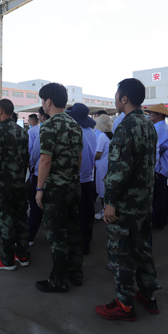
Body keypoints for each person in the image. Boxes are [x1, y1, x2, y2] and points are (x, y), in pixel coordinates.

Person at [96, 78, 160, 321]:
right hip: (143, 201)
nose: (115, 99)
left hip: (126, 204)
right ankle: (148, 295)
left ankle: (124, 304)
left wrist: (110, 202)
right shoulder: (149, 125)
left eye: (116, 95)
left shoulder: (126, 127)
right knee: (143, 250)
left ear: (124, 99)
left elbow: (119, 170)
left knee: (122, 254)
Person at [35, 83, 84, 293]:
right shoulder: (75, 125)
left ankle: (58, 281)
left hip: (56, 189)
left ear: (48, 101)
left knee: (56, 234)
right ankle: (76, 273)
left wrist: (39, 189)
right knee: (73, 230)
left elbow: (45, 160)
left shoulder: (48, 126)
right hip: (73, 185)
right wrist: (72, 177)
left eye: (42, 100)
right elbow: (80, 157)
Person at [0, 99, 30, 271]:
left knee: (6, 222)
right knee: (21, 220)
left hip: (3, 185)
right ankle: (23, 255)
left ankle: (7, 260)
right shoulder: (22, 131)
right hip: (20, 183)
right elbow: (26, 158)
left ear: (0, 111)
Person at [66, 103, 97, 255]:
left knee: (78, 214)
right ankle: (88, 239)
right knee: (88, 211)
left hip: (77, 178)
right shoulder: (91, 132)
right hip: (88, 177)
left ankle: (82, 245)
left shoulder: (75, 131)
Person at [145, 104, 168, 229]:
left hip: (159, 167)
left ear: (160, 115)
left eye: (152, 113)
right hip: (162, 166)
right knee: (162, 194)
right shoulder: (162, 127)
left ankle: (158, 220)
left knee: (158, 196)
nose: (149, 115)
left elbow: (156, 149)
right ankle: (162, 218)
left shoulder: (159, 128)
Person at [26, 108, 50, 246]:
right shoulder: (72, 128)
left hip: (39, 173)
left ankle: (30, 237)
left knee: (36, 205)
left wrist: (31, 166)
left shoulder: (43, 131)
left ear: (42, 117)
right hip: (57, 177)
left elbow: (35, 153)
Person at [94, 114, 113, 220]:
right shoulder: (110, 135)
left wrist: (91, 158)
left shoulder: (102, 137)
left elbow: (98, 154)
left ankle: (104, 211)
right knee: (105, 187)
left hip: (101, 165)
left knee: (102, 189)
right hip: (107, 164)